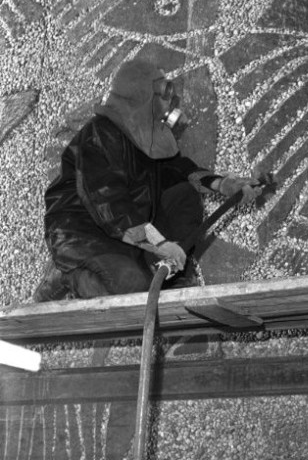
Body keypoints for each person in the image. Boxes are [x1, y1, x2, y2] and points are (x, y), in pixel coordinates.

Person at [34, 59, 263, 301]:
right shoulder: (101, 135)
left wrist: (225, 185)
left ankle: (176, 280)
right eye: (163, 93)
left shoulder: (147, 135)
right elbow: (109, 203)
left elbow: (178, 170)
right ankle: (65, 276)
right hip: (85, 234)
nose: (169, 104)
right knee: (132, 290)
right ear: (142, 96)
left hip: (128, 232)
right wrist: (160, 244)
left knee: (184, 194)